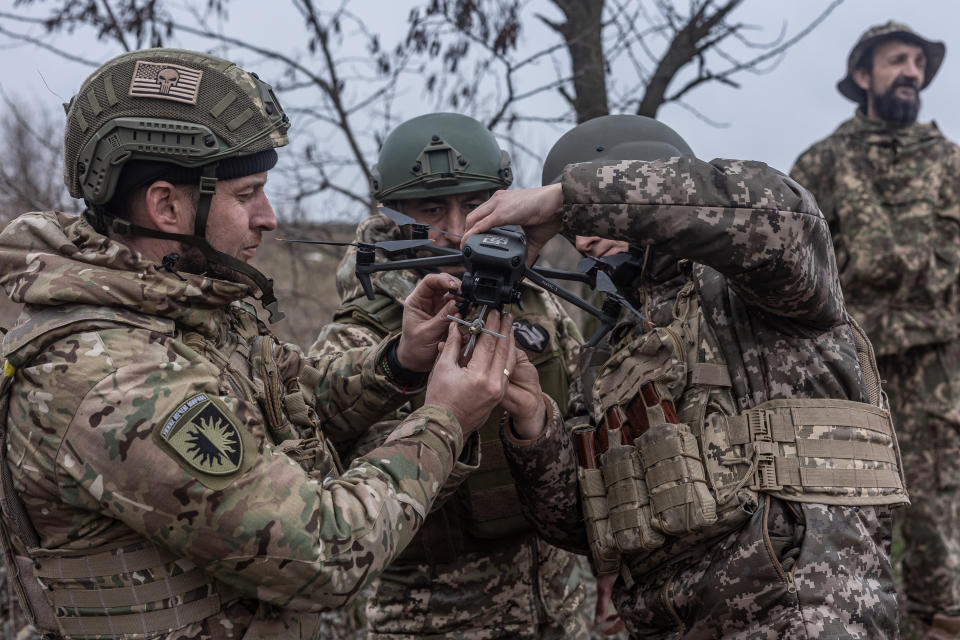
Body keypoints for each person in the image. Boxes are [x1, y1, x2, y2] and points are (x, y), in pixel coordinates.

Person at [0, 48, 518, 639]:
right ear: (167, 205)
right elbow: (324, 555)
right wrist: (445, 420)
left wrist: (398, 363)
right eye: (247, 194)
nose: (268, 217)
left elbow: (290, 398)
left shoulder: (188, 308)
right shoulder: (115, 380)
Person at [464, 114, 909, 638]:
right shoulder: (607, 352)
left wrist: (570, 198)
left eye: (587, 220)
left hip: (800, 610)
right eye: (572, 230)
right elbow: (584, 524)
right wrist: (533, 424)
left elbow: (779, 216)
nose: (583, 243)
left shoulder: (753, 289)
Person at [310, 112, 597, 639]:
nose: (461, 227)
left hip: (562, 605)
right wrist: (449, 414)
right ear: (395, 219)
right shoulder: (361, 336)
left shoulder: (537, 305)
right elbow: (348, 502)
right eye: (431, 209)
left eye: (474, 204)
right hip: (433, 617)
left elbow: (585, 427)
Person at [790, 22, 960, 638]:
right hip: (850, 373)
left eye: (919, 61)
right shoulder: (822, 162)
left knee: (937, 527)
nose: (912, 71)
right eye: (897, 60)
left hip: (938, 375)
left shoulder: (950, 162)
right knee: (850, 521)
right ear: (864, 75)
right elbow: (796, 269)